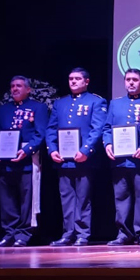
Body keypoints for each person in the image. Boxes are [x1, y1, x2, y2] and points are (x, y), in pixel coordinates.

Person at [46, 68, 107, 246]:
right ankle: (67, 233)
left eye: (77, 79)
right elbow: (51, 128)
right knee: (66, 197)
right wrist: (52, 149)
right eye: (71, 78)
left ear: (86, 81)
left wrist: (85, 151)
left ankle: (82, 233)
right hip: (63, 159)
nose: (73, 82)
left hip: (84, 159)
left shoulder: (96, 101)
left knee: (83, 198)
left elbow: (97, 129)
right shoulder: (60, 103)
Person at [103, 68, 140, 246]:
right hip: (120, 159)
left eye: (135, 80)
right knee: (121, 197)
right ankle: (123, 233)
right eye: (128, 79)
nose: (131, 82)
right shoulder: (115, 104)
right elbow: (107, 128)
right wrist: (108, 145)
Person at [0, 76, 48, 247]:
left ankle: (24, 234)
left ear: (28, 89)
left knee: (26, 200)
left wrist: (27, 150)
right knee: (7, 200)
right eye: (12, 86)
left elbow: (40, 133)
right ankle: (9, 233)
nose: (15, 89)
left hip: (26, 161)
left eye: (19, 86)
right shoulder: (3, 110)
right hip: (5, 161)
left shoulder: (38, 107)